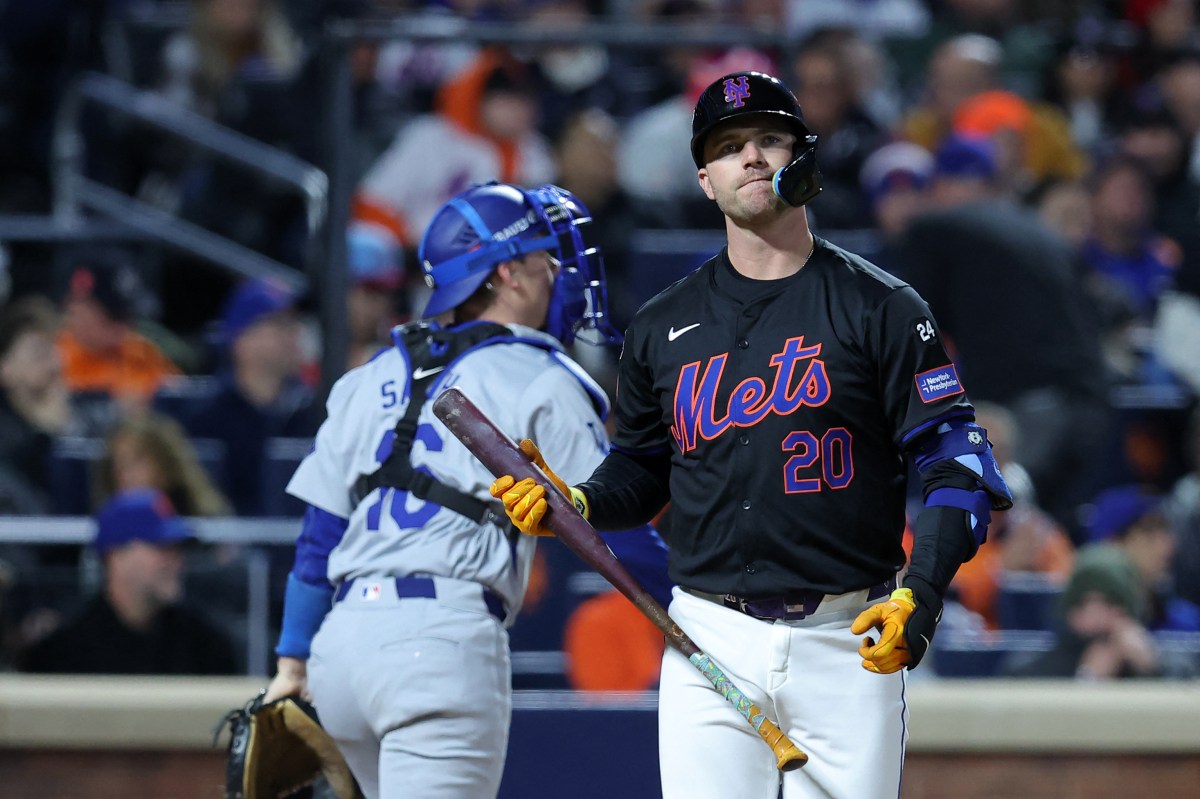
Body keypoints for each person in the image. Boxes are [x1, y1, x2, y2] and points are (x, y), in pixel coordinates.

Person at [492, 71, 1012, 799]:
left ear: (804, 157)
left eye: (771, 139)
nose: (753, 157)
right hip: (711, 636)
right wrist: (575, 501)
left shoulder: (884, 307)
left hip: (848, 632)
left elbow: (957, 462)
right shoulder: (661, 326)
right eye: (731, 146)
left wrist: (920, 594)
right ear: (705, 179)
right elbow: (641, 473)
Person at [261, 182, 671, 799]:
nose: (556, 275)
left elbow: (319, 536)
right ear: (507, 273)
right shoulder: (540, 376)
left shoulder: (371, 373)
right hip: (437, 643)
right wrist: (703, 608)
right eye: (544, 261)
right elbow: (614, 533)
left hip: (339, 651)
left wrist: (292, 662)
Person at [21, 488, 238, 675]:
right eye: (162, 547)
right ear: (117, 556)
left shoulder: (204, 648)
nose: (176, 562)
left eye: (177, 549)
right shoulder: (63, 653)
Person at [183, 276, 316, 515]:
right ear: (242, 339)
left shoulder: (314, 412)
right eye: (280, 323)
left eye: (295, 322)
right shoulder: (205, 421)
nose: (295, 333)